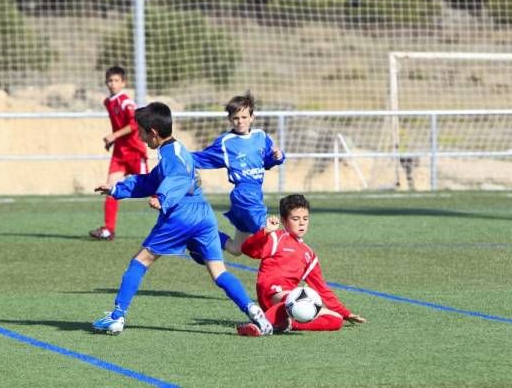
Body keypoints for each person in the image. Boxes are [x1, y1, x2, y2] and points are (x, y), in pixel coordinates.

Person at [91, 102, 273, 336]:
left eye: (141, 131)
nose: (139, 136)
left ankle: (117, 317)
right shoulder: (176, 150)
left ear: (153, 133)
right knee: (219, 272)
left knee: (141, 260)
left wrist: (163, 197)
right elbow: (150, 180)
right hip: (203, 215)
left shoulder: (171, 156)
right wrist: (117, 189)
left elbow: (177, 179)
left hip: (181, 214)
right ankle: (254, 312)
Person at [236, 194, 366, 336]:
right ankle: (261, 324)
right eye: (295, 219)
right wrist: (265, 232)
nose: (302, 223)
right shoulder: (276, 237)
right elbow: (247, 249)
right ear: (284, 221)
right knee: (292, 298)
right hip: (273, 293)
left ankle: (289, 324)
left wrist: (345, 313)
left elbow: (321, 288)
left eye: (305, 218)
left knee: (336, 319)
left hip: (293, 301)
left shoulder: (309, 254)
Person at [190, 91, 285, 256]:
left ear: (252, 117)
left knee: (236, 249)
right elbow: (203, 158)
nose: (240, 121)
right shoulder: (226, 142)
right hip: (245, 194)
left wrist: (278, 157)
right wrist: (178, 157)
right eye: (236, 118)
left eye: (244, 117)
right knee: (271, 238)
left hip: (254, 192)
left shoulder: (261, 136)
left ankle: (196, 236)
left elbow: (267, 161)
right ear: (230, 120)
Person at [89, 65, 148, 241]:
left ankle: (179, 220)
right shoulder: (108, 102)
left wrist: (114, 135)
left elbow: (134, 125)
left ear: (123, 83)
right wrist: (114, 139)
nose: (112, 84)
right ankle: (108, 229)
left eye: (116, 80)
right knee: (111, 188)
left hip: (135, 150)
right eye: (110, 80)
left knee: (154, 189)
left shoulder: (126, 102)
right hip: (120, 153)